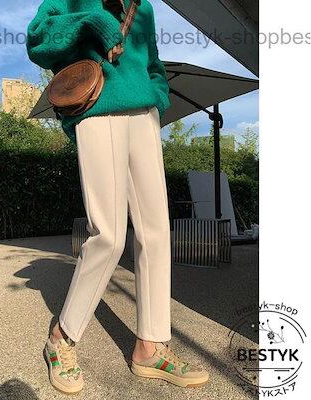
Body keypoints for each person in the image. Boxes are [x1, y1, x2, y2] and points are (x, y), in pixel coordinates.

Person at [26, 0, 209, 394]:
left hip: (143, 113)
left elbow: (153, 61)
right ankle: (61, 337)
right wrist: (92, 21)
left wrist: (156, 93)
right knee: (108, 235)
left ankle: (150, 346)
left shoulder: (143, 7)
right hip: (98, 108)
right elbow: (38, 39)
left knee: (156, 232)